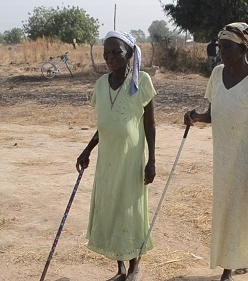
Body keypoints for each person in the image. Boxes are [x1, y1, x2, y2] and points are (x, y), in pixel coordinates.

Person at [184, 22, 248, 281]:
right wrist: (196, 117)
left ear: (243, 47)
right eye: (219, 47)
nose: (221, 52)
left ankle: (228, 268)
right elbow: (214, 114)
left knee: (239, 209)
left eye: (227, 47)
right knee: (228, 208)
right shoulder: (217, 74)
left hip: (247, 158)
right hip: (223, 157)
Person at [76, 30, 157, 281]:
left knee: (128, 209)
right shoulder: (101, 84)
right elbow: (105, 124)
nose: (110, 57)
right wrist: (87, 149)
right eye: (106, 53)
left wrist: (151, 160)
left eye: (116, 52)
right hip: (108, 159)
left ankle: (135, 267)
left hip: (131, 159)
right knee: (111, 207)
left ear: (129, 54)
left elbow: (150, 125)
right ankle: (120, 268)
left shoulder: (141, 81)